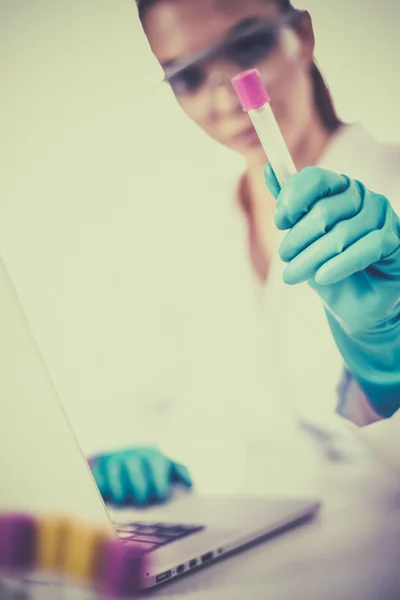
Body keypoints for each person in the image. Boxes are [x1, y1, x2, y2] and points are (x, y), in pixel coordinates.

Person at [89, 0, 400, 505]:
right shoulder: (189, 234)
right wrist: (115, 447)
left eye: (248, 45)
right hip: (254, 547)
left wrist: (388, 362)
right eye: (187, 77)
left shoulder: (390, 193)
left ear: (302, 34)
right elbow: (126, 399)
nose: (226, 96)